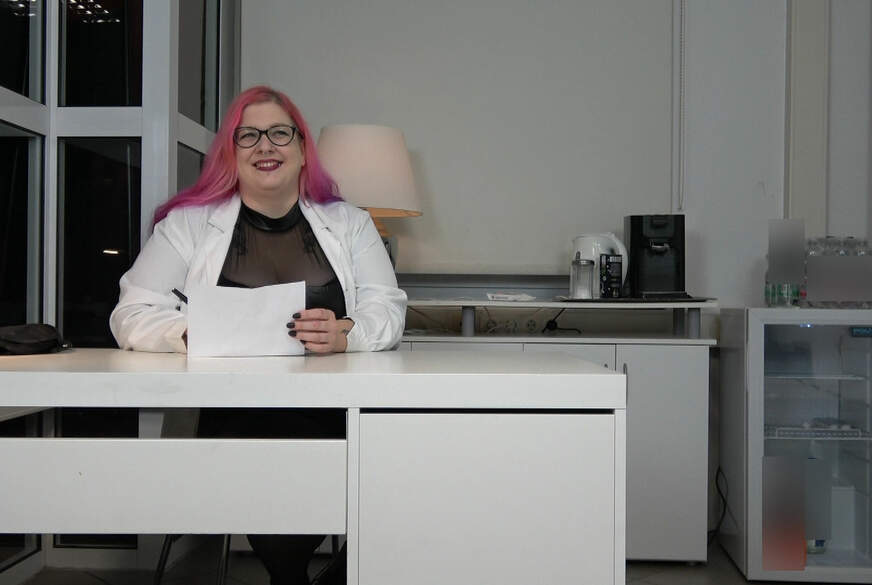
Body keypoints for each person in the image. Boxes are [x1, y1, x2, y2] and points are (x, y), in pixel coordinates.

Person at [110, 85, 406, 585]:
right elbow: (131, 313)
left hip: (334, 412)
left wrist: (346, 332)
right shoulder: (187, 225)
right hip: (230, 413)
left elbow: (388, 307)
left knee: (398, 489)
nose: (264, 146)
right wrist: (192, 333)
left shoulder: (350, 223)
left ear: (302, 149)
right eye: (247, 136)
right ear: (230, 152)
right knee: (275, 478)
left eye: (278, 134)